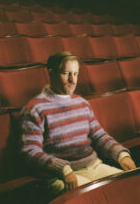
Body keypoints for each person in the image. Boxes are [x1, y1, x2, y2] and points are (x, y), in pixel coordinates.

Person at [20, 51, 136, 196]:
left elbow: (100, 136)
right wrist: (63, 169)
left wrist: (121, 155)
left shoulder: (82, 104)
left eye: (75, 74)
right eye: (66, 73)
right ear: (51, 74)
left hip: (93, 168)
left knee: (131, 187)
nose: (72, 80)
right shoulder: (34, 109)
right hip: (58, 176)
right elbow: (30, 152)